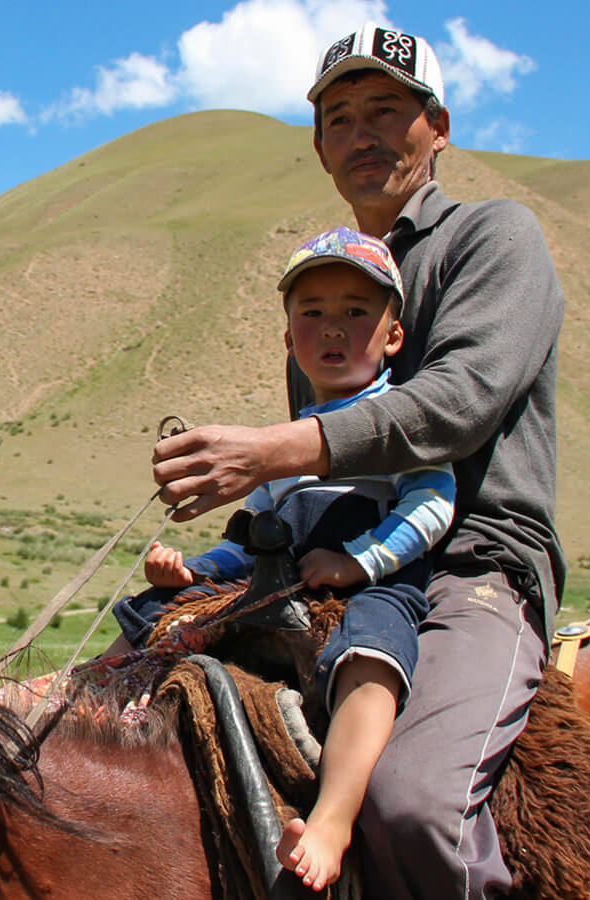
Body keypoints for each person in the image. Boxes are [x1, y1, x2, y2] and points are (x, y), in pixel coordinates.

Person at [150, 23, 565, 899]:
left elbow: (462, 402)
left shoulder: (495, 238)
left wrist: (271, 448)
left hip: (470, 562)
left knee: (416, 803)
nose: (362, 134)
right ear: (319, 146)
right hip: (329, 559)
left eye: (386, 109)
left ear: (438, 125)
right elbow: (318, 470)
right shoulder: (330, 284)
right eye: (340, 118)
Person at [113, 226, 454, 891]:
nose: (333, 328)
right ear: (289, 336)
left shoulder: (403, 416)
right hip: (281, 578)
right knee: (158, 612)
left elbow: (433, 503)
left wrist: (361, 562)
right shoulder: (285, 442)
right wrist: (193, 572)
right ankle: (96, 711)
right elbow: (249, 540)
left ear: (392, 336)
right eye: (313, 313)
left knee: (370, 652)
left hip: (373, 585)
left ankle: (334, 814)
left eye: (357, 312)